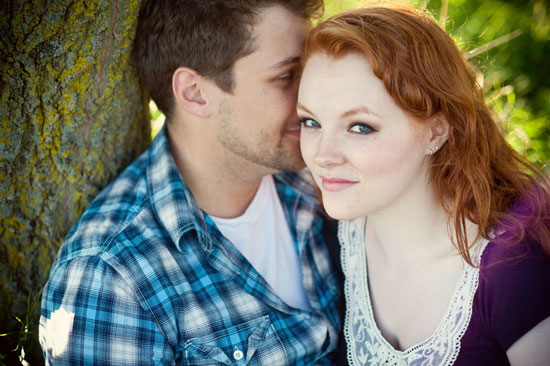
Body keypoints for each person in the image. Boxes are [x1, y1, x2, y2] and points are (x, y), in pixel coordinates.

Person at [39, 0, 343, 364]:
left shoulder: (322, 174)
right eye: (286, 76)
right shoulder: (112, 277)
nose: (311, 99)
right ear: (195, 93)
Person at [297, 6, 550, 366]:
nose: (323, 155)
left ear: (436, 130)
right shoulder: (326, 238)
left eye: (360, 127)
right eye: (310, 121)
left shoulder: (512, 273)